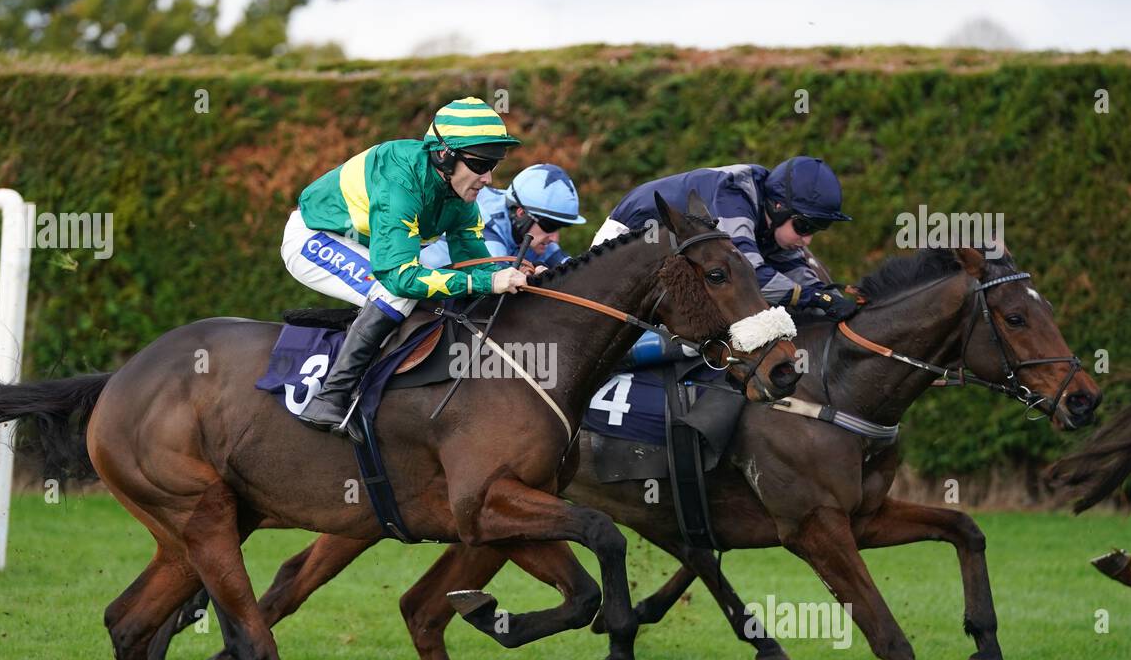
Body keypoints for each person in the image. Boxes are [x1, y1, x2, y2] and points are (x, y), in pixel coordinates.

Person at [279, 97, 526, 439]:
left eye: (494, 166)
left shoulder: (459, 197)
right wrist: (486, 282)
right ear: (444, 155)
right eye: (481, 164)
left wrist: (517, 274)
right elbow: (399, 276)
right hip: (312, 239)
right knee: (397, 295)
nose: (487, 178)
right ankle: (330, 396)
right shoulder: (401, 181)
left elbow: (476, 262)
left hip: (364, 247)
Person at [592, 157, 858, 321]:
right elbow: (749, 277)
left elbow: (792, 267)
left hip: (679, 248)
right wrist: (814, 298)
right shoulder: (734, 197)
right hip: (632, 237)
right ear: (778, 207)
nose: (807, 240)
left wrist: (830, 296)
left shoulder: (767, 208)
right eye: (803, 226)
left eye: (817, 229)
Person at [420, 162, 585, 272]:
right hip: (418, 281)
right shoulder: (484, 221)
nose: (554, 238)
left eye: (560, 227)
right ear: (521, 213)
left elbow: (571, 269)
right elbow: (498, 277)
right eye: (550, 226)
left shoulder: (533, 229)